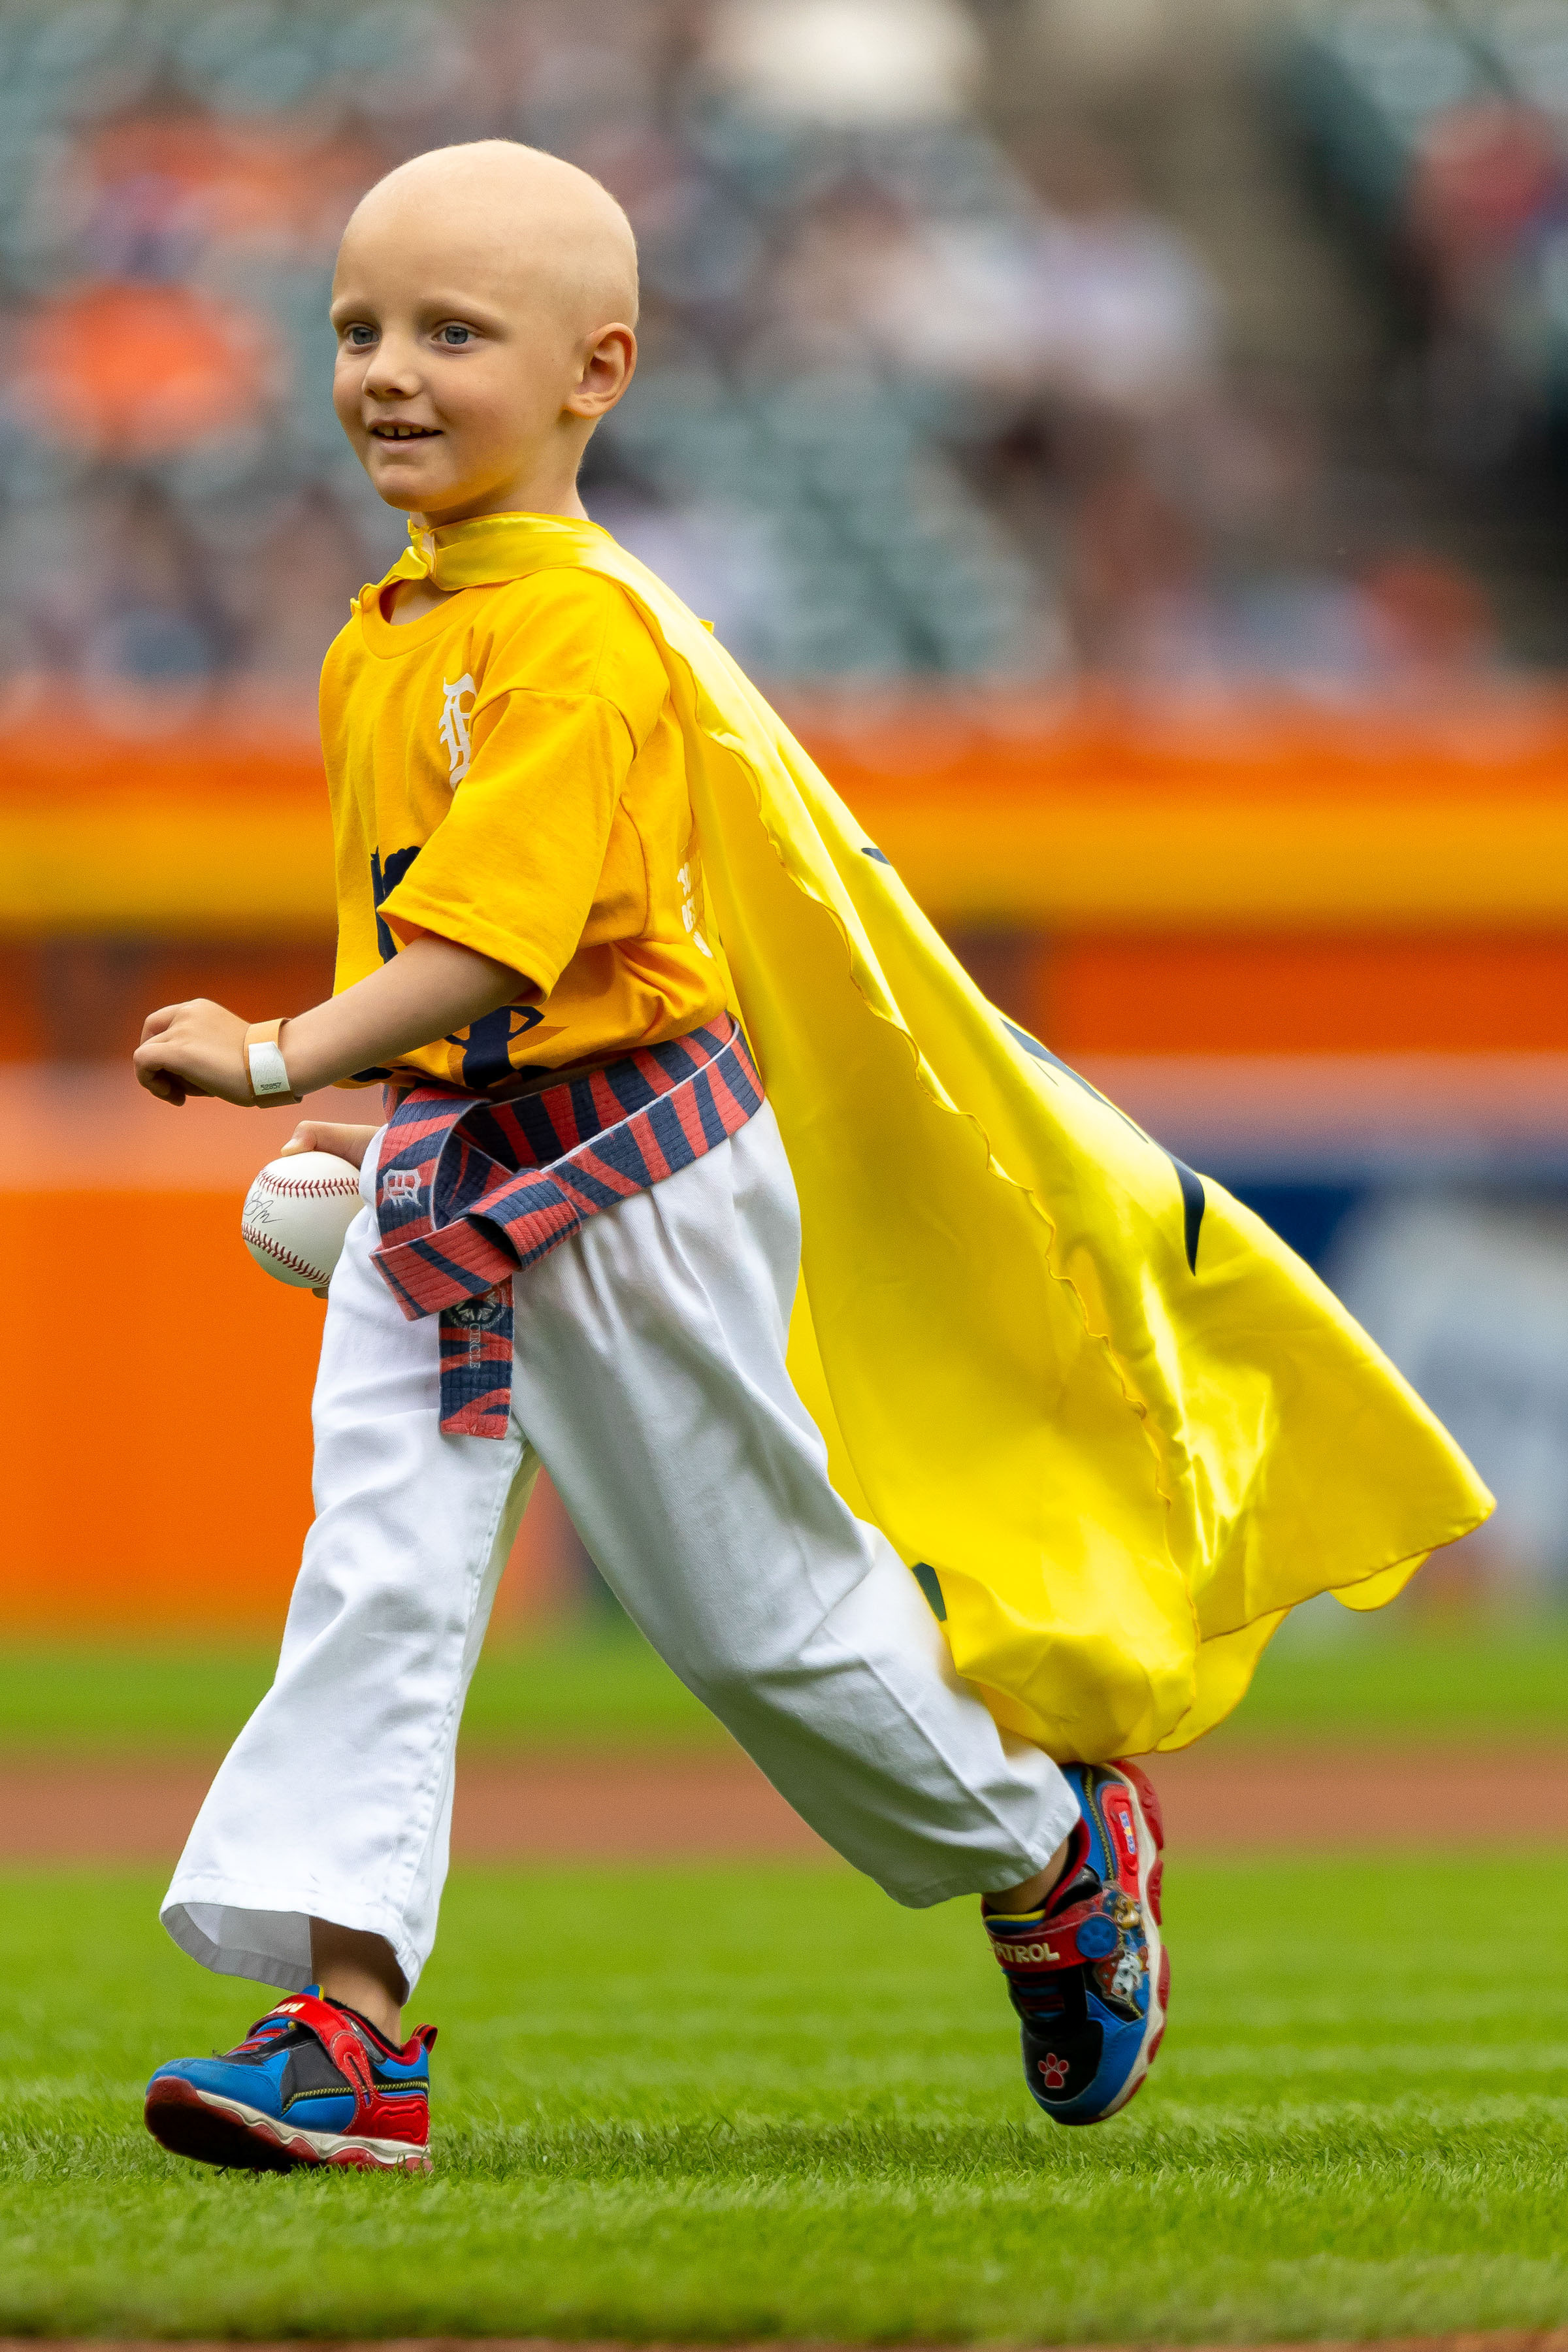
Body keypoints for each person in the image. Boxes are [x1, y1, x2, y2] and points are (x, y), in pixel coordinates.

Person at [133, 140, 1488, 2175]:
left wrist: (270, 1057)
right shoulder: (399, 625)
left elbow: (489, 942)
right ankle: (348, 2034)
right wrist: (394, 1098)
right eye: (357, 329)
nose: (390, 372)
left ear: (598, 371)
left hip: (632, 1180)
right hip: (476, 1168)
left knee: (760, 1622)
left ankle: (1050, 1846)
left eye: (451, 332)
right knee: (379, 1579)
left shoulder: (578, 632)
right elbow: (484, 977)